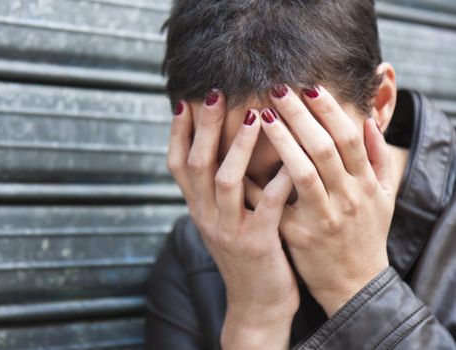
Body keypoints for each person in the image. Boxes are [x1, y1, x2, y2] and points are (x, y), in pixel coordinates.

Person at [145, 0, 456, 349]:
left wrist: (359, 288)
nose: (267, 213)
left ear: (380, 103)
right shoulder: (196, 255)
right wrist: (254, 321)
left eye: (299, 173)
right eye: (229, 176)